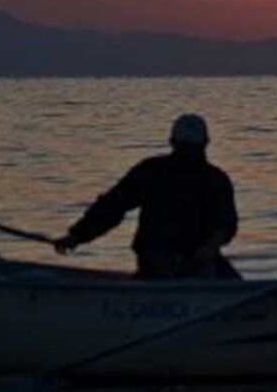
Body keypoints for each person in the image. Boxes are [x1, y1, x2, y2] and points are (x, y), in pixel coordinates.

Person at [54, 113, 240, 280]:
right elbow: (112, 206)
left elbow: (225, 224)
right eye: (185, 148)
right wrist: (77, 236)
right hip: (158, 259)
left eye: (193, 148)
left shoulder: (215, 180)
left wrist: (210, 247)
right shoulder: (151, 173)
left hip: (199, 261)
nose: (189, 154)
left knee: (230, 281)